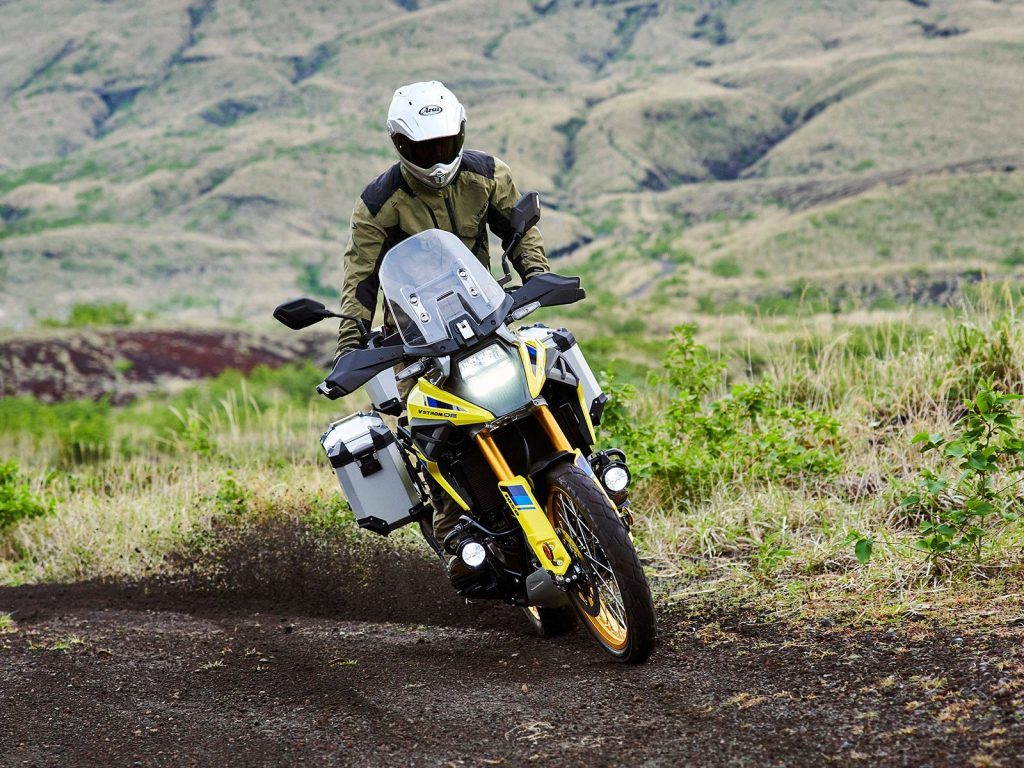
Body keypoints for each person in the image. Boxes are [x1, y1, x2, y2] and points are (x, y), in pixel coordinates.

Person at [335, 80, 550, 581]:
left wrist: (535, 277)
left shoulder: (487, 174)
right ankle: (456, 533)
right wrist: (350, 345)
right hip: (416, 332)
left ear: (460, 131)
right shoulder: (379, 202)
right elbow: (361, 277)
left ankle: (585, 470)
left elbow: (518, 228)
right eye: (423, 147)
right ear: (400, 144)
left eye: (444, 142)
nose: (436, 156)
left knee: (549, 364)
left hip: (485, 310)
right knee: (425, 427)